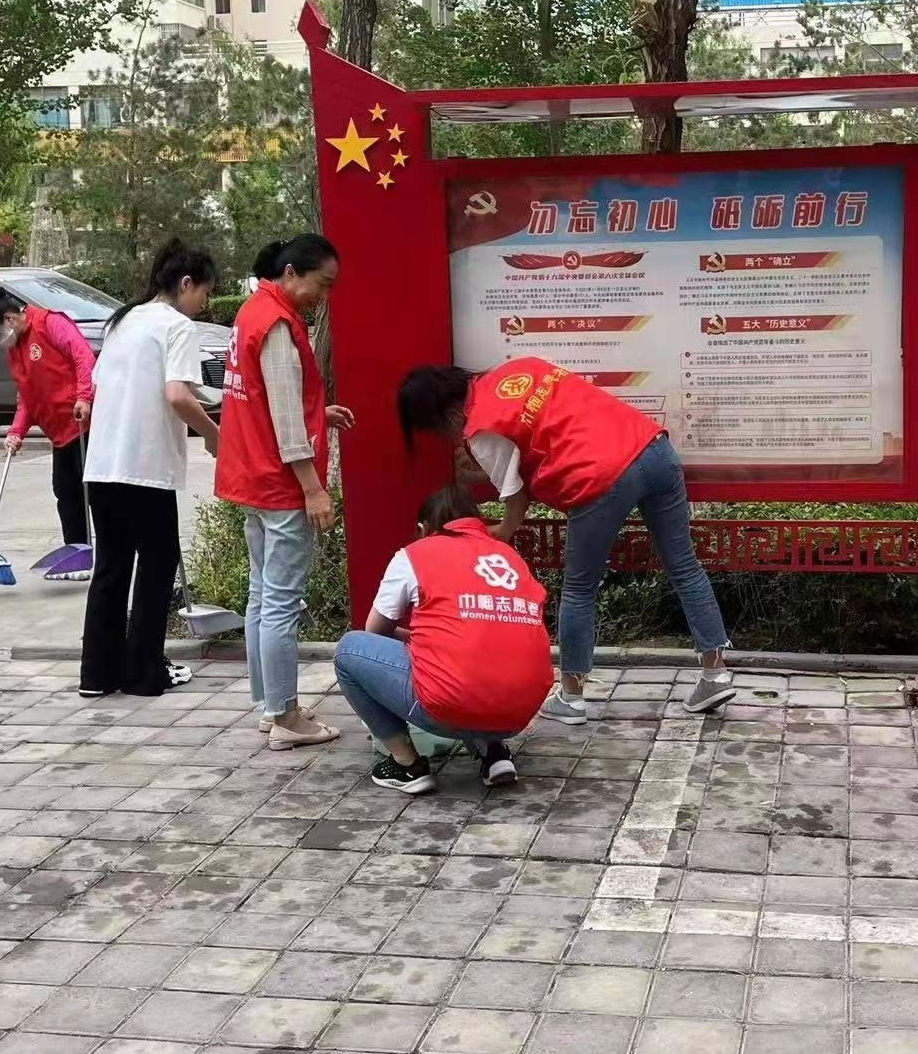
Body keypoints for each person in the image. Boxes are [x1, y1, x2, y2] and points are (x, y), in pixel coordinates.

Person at [397, 358, 732, 723]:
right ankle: (715, 674)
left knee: (579, 589)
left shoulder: (480, 428)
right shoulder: (517, 369)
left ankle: (571, 697)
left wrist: (499, 533)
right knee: (685, 567)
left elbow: (516, 499)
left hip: (599, 478)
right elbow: (544, 438)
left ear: (443, 418)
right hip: (652, 449)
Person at [216, 234, 354, 751]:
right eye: (323, 284)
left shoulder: (253, 311)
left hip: (251, 476)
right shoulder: (276, 323)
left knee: (260, 595)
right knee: (281, 602)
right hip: (279, 483)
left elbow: (272, 398)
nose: (325, 295)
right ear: (292, 273)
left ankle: (268, 705)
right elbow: (283, 419)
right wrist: (314, 489)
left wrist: (323, 413)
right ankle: (286, 717)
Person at [335, 486, 554, 794]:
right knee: (481, 652)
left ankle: (406, 765)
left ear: (424, 528)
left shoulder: (415, 554)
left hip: (448, 708)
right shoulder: (509, 556)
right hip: (520, 714)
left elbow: (375, 629)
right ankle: (493, 751)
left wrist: (412, 638)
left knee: (349, 650)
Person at [79, 239, 221, 699]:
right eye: (204, 292)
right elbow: (177, 395)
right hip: (146, 468)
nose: (205, 303)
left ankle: (97, 676)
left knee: (111, 569)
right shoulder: (177, 327)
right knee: (156, 567)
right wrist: (214, 435)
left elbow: (118, 386)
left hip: (102, 467)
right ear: (185, 284)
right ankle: (143, 674)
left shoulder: (121, 321)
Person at [0, 291, 95, 551]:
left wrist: (84, 396)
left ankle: (109, 552)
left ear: (9, 319)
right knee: (65, 491)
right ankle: (77, 552)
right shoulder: (15, 350)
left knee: (94, 493)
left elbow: (83, 357)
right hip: (59, 432)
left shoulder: (50, 323)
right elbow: (28, 396)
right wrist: (16, 431)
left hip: (85, 425)